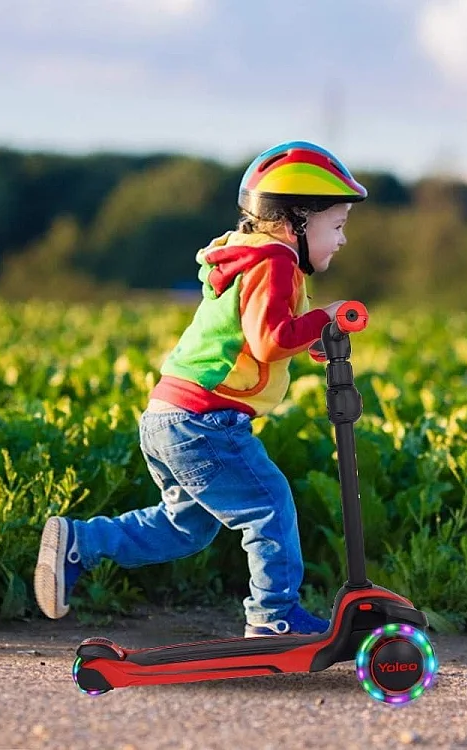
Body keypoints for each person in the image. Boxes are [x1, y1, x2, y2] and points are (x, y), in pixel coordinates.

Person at [34, 140, 368, 636]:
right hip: (206, 421)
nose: (342, 240)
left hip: (168, 415)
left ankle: (81, 543)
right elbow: (270, 340)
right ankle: (274, 616)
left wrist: (311, 335)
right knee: (269, 506)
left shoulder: (247, 257)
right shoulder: (275, 261)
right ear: (295, 220)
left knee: (184, 527)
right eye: (336, 226)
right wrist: (325, 317)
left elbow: (253, 334)